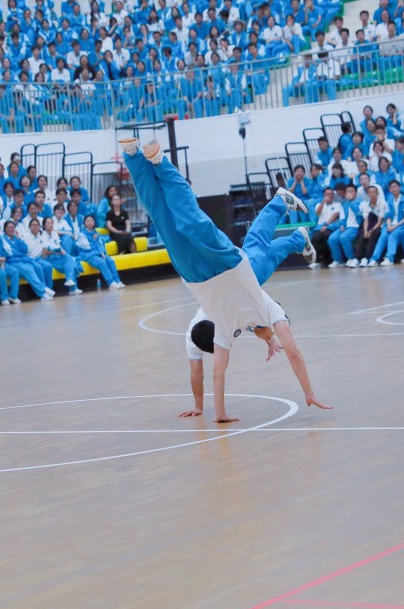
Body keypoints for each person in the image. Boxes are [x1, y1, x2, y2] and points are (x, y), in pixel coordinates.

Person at [119, 137, 331, 421]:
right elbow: (290, 351)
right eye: (272, 338)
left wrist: (219, 414)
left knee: (165, 223)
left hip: (196, 276)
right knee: (192, 221)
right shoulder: (268, 310)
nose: (273, 341)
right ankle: (159, 163)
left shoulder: (226, 329)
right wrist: (308, 392)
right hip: (227, 266)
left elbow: (219, 373)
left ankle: (133, 156)